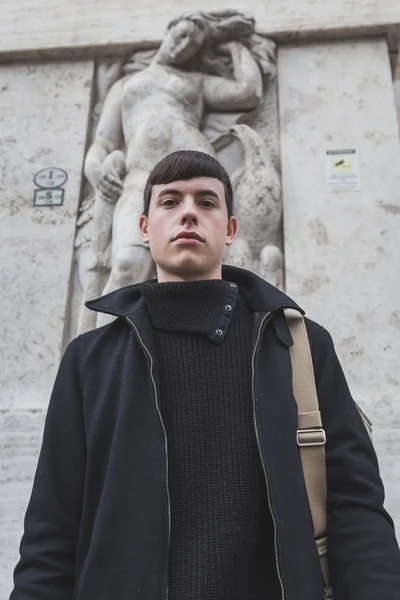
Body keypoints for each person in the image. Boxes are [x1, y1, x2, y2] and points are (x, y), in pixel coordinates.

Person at [10, 150, 400, 600]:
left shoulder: (301, 346)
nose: (189, 213)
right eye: (170, 201)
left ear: (231, 229)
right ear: (144, 228)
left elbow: (355, 506)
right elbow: (52, 530)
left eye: (207, 202)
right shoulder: (89, 360)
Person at [82, 10, 272, 323]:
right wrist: (93, 166)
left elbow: (248, 92)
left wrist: (234, 45)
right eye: (181, 35)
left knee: (200, 273)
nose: (183, 45)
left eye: (194, 44)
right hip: (141, 178)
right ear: (168, 30)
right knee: (128, 263)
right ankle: (100, 361)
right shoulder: (127, 85)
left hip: (197, 181)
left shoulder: (195, 83)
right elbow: (103, 141)